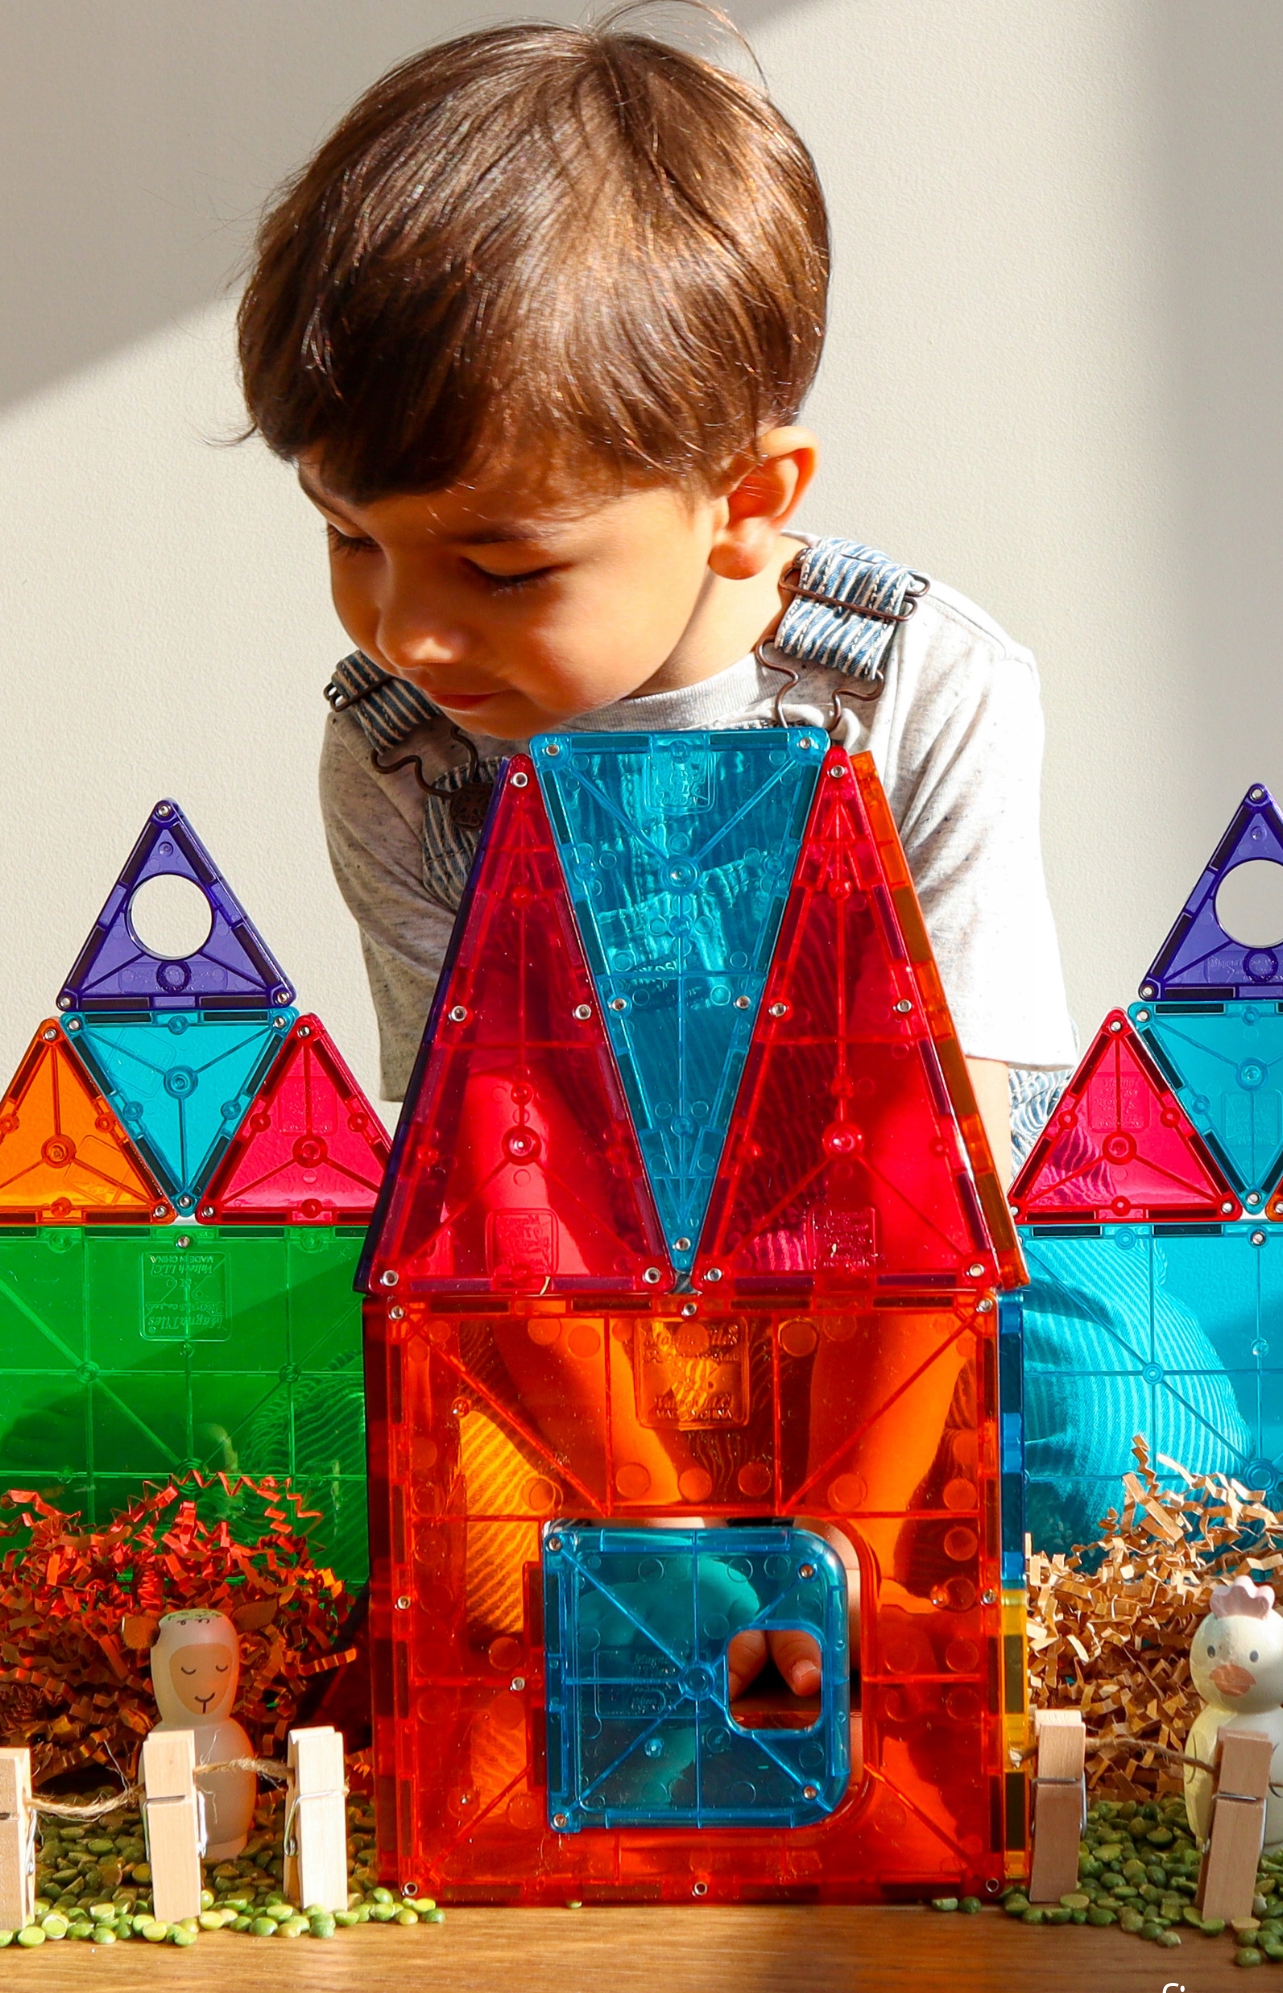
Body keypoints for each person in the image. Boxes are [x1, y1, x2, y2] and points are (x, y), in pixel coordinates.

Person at [237, 9, 1074, 1706]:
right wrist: (634, 1456)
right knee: (308, 1393)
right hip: (574, 1288)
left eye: (502, 569)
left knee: (1111, 1375)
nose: (408, 632)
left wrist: (826, 1490)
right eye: (348, 540)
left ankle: (875, 1624)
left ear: (747, 503)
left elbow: (956, 1139)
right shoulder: (403, 756)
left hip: (891, 1272)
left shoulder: (925, 687)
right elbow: (483, 1170)